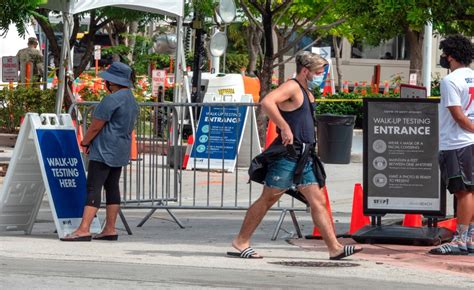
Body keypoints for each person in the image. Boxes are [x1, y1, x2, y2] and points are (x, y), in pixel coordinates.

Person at [228, 51, 362, 260]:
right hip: (288, 156)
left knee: (319, 201)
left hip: (305, 156)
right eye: (318, 72)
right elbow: (267, 102)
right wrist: (284, 127)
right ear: (306, 71)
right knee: (267, 199)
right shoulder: (291, 86)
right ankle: (241, 241)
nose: (321, 76)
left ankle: (334, 247)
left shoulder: (307, 92)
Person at [60, 62, 139, 241]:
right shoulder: (132, 100)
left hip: (104, 149)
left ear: (112, 82)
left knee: (93, 187)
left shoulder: (111, 99)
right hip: (121, 148)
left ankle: (84, 228)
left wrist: (85, 141)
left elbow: (96, 126)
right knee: (112, 187)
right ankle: (110, 228)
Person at [429, 35, 474, 255]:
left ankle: (460, 239)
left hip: (456, 143)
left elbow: (457, 115)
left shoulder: (450, 81)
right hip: (470, 143)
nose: (444, 58)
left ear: (451, 56)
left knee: (462, 191)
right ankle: (471, 238)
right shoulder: (473, 77)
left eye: (445, 53)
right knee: (471, 190)